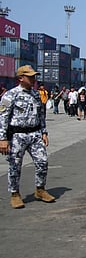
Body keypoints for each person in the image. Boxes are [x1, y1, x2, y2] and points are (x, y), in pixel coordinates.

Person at [0, 65, 55, 209]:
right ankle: (15, 194)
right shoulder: (10, 95)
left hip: (35, 134)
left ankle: (40, 189)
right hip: (17, 135)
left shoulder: (36, 94)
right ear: (20, 78)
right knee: (15, 165)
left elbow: (41, 115)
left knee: (43, 161)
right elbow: (3, 118)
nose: (34, 79)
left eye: (34, 76)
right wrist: (3, 139)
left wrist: (44, 132)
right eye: (30, 76)